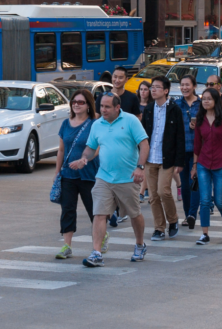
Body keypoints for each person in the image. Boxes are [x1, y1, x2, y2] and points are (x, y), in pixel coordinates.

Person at [70, 93, 150, 267]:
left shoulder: (130, 121)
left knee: (134, 214)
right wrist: (84, 158)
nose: (103, 110)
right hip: (104, 177)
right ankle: (96, 253)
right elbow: (90, 148)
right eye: (101, 107)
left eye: (107, 107)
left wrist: (140, 167)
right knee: (99, 213)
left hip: (128, 178)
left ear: (117, 107)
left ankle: (139, 244)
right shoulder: (97, 125)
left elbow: (144, 144)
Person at [54, 90, 100, 260]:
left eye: (81, 102)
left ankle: (101, 238)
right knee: (67, 209)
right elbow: (61, 150)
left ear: (88, 105)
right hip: (67, 175)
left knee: (93, 210)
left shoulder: (94, 124)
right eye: (74, 101)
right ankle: (67, 245)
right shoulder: (66, 124)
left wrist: (84, 160)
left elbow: (97, 149)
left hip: (89, 174)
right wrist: (57, 172)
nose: (76, 104)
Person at [141, 76, 186, 241]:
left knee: (163, 191)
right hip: (150, 158)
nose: (153, 90)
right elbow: (143, 135)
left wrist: (179, 162)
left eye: (157, 87)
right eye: (152, 87)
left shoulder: (174, 109)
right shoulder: (149, 109)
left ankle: (173, 220)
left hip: (167, 159)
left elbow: (180, 137)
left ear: (166, 91)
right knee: (153, 196)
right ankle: (159, 228)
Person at [95, 66, 142, 226]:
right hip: (106, 148)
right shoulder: (102, 97)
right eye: (114, 77)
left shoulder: (131, 98)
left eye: (120, 77)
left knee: (131, 206)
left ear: (126, 79)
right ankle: (112, 212)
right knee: (105, 186)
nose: (117, 80)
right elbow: (97, 120)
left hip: (126, 150)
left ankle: (120, 211)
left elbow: (138, 119)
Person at [191, 88, 222, 245]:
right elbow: (197, 145)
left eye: (209, 99)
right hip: (203, 163)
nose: (205, 101)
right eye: (203, 99)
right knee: (204, 200)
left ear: (216, 101)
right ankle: (205, 234)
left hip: (221, 164)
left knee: (219, 199)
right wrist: (194, 166)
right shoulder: (200, 119)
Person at [176, 75, 201, 229]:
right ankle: (187, 215)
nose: (184, 88)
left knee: (194, 183)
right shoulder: (177, 104)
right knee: (184, 185)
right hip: (181, 149)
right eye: (182, 85)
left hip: (198, 150)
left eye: (187, 85)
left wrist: (198, 126)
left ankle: (192, 214)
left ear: (194, 86)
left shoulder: (201, 104)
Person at [137, 82, 152, 203]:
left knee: (145, 165)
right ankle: (145, 188)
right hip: (136, 137)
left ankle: (141, 192)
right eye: (141, 89)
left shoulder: (152, 105)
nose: (143, 92)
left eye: (145, 89)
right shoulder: (136, 105)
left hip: (148, 137)